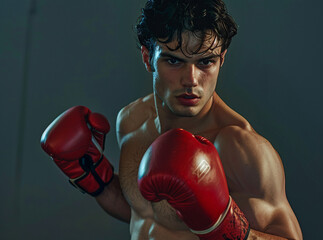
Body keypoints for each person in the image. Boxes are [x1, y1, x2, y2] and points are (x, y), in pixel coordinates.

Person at [41, 0, 303, 239]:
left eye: (205, 62)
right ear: (148, 58)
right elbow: (144, 215)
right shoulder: (131, 122)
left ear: (221, 59)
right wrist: (93, 175)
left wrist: (225, 227)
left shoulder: (241, 149)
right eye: (174, 61)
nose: (191, 80)